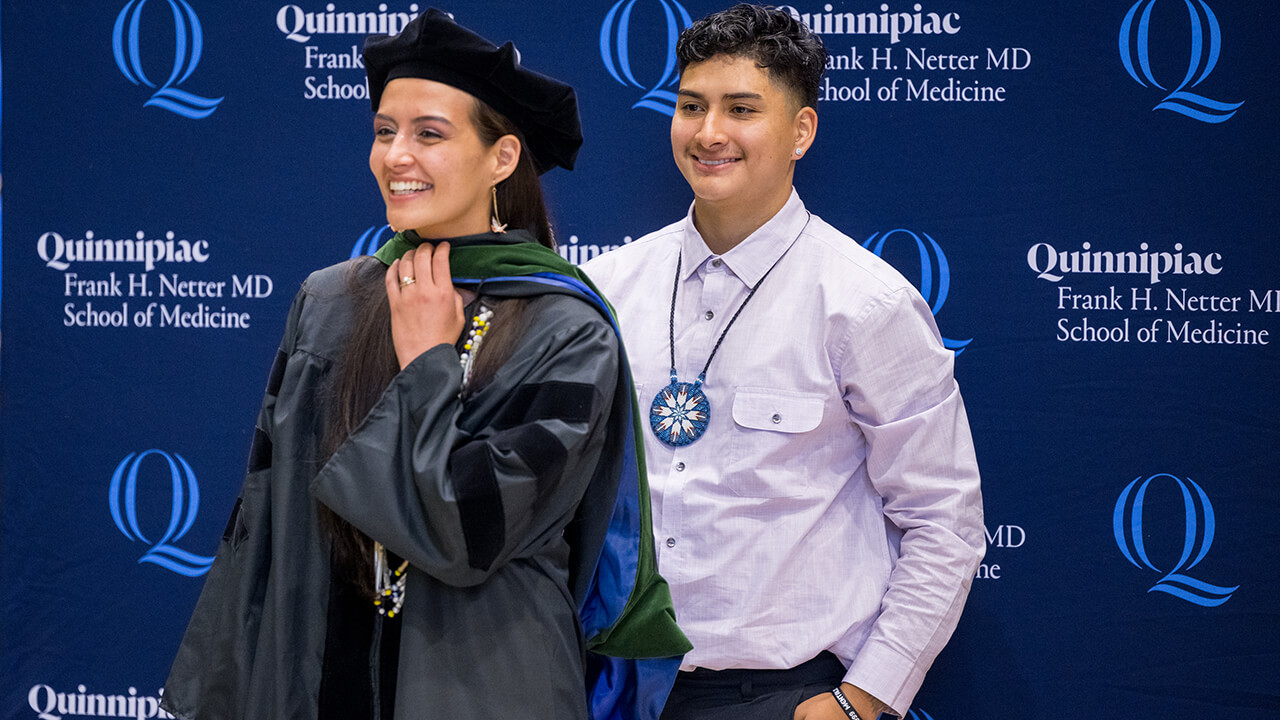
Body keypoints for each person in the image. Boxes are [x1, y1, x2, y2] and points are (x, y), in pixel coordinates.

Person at [162, 10, 688, 720]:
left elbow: (464, 535)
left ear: (502, 158)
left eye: (429, 134)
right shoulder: (330, 301)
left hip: (487, 684)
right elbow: (264, 525)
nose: (395, 155)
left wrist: (430, 363)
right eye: (384, 131)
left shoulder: (565, 328)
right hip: (317, 681)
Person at [582, 5, 984, 720]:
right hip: (609, 688)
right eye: (691, 106)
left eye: (742, 109)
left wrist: (859, 702)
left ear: (801, 131)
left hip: (777, 696)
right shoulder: (609, 288)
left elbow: (944, 521)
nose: (709, 133)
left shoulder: (864, 303)